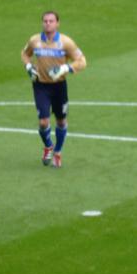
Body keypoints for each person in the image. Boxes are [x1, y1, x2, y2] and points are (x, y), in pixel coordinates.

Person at [21, 11, 87, 168]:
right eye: (45, 21)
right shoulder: (35, 40)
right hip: (40, 85)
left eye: (51, 21)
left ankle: (58, 151)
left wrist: (66, 68)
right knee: (43, 122)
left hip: (59, 87)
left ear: (57, 23)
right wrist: (29, 66)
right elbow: (25, 54)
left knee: (61, 121)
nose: (47, 24)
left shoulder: (66, 42)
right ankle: (48, 146)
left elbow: (82, 61)